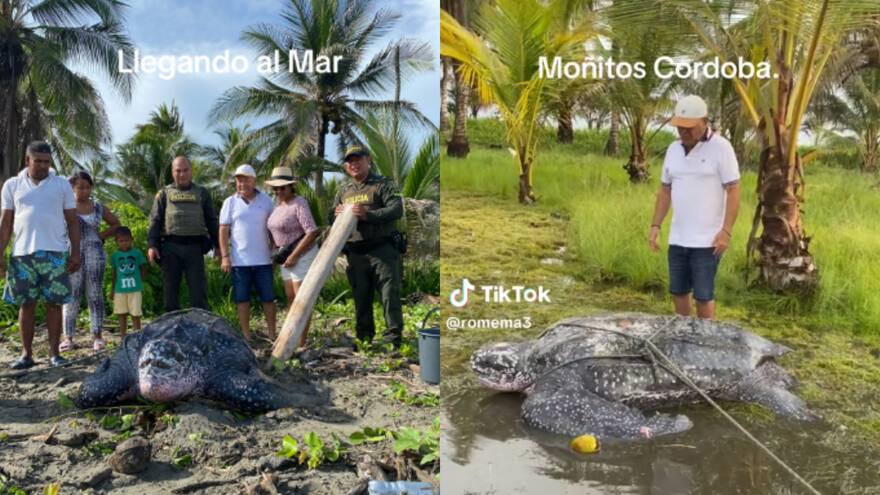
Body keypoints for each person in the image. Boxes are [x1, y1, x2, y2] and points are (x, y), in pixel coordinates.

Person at [648, 95, 741, 319]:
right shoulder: (673, 149)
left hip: (708, 240)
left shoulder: (721, 148)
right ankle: (684, 334)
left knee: (703, 295)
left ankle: (705, 340)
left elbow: (734, 190)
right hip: (678, 237)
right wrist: (655, 225)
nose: (684, 132)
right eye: (680, 127)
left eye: (689, 127)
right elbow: (665, 190)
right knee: (678, 291)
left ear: (705, 121)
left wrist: (726, 231)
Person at [0, 141, 81, 368]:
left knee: (54, 304)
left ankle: (55, 354)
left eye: (47, 162)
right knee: (26, 305)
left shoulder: (62, 186)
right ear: (28, 160)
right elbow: (6, 223)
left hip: (55, 253)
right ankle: (26, 355)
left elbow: (72, 222)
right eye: (39, 161)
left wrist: (75, 252)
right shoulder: (12, 185)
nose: (44, 166)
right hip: (22, 254)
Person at [329, 145, 404, 348]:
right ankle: (364, 337)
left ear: (368, 160)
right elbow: (331, 218)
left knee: (389, 295)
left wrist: (368, 215)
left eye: (357, 159)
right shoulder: (344, 191)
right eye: (349, 161)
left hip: (382, 250)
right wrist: (334, 214)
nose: (353, 164)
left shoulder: (383, 184)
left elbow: (397, 209)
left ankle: (392, 340)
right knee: (361, 297)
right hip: (356, 253)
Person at [147, 156, 219, 312]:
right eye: (178, 171)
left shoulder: (202, 193)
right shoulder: (164, 194)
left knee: (198, 294)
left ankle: (200, 326)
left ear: (191, 171)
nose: (182, 174)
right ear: (172, 172)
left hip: (195, 248)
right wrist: (152, 245)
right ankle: (172, 329)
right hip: (170, 248)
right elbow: (155, 220)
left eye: (185, 170)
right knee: (170, 294)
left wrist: (218, 246)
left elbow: (212, 221)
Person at [61, 171, 120, 352]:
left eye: (87, 187)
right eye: (80, 187)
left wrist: (100, 236)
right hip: (73, 254)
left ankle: (97, 336)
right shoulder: (65, 207)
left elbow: (116, 224)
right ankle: (68, 338)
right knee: (72, 294)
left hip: (95, 254)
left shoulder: (98, 207)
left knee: (95, 294)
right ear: (72, 188)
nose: (84, 191)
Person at [219, 164, 277, 343]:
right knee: (242, 300)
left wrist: (275, 253)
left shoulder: (267, 201)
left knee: (268, 299)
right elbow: (223, 230)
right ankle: (246, 335)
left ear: (254, 180)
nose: (241, 183)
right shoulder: (230, 202)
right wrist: (225, 256)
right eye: (238, 179)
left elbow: (273, 229)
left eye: (245, 179)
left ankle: (272, 334)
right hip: (239, 262)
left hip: (264, 261)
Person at [265, 166, 319, 347]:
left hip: (302, 255)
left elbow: (312, 232)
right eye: (276, 188)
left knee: (301, 299)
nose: (279, 191)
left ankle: (301, 343)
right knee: (290, 297)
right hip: (284, 257)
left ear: (291, 187)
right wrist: (275, 258)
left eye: (283, 187)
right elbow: (274, 236)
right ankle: (291, 337)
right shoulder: (276, 207)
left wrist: (295, 256)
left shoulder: (299, 203)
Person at [110, 226, 147, 338]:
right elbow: (114, 272)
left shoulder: (137, 253)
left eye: (127, 240)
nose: (124, 243)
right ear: (116, 242)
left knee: (135, 314)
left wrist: (140, 281)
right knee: (121, 314)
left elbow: (143, 267)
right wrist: (112, 289)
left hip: (135, 290)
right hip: (120, 290)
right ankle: (123, 336)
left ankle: (137, 336)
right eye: (121, 241)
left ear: (131, 240)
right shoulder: (115, 256)